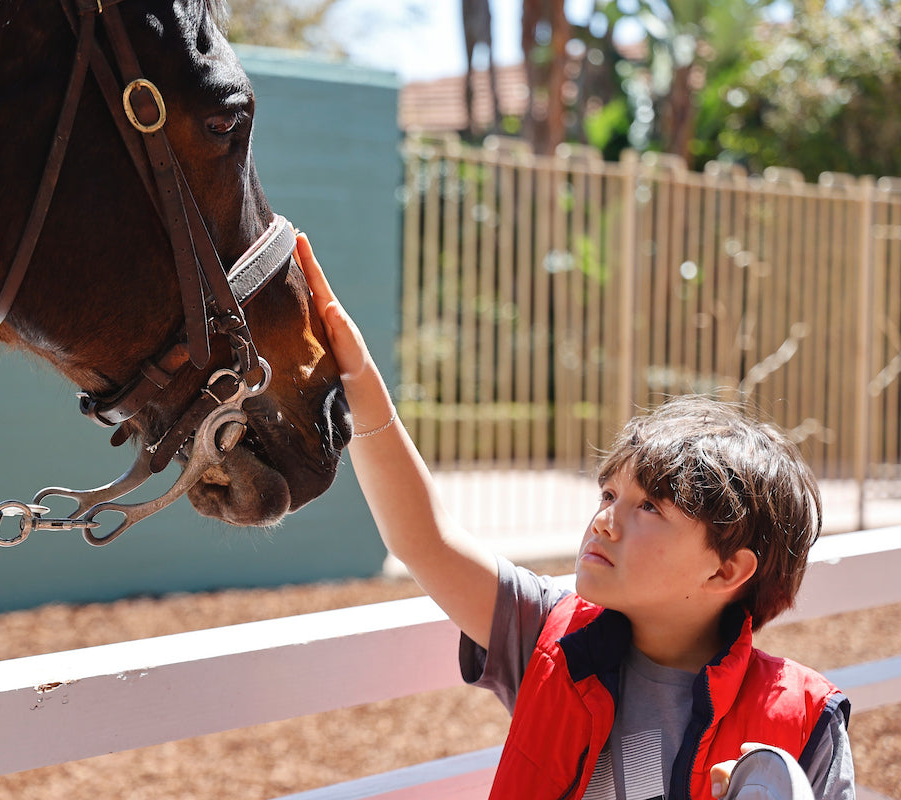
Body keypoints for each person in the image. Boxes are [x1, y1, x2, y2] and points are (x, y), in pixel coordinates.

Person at [294, 232, 855, 800]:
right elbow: (425, 540)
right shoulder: (547, 636)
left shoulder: (805, 724)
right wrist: (357, 380)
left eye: (649, 507)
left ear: (725, 572)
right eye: (608, 495)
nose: (605, 521)